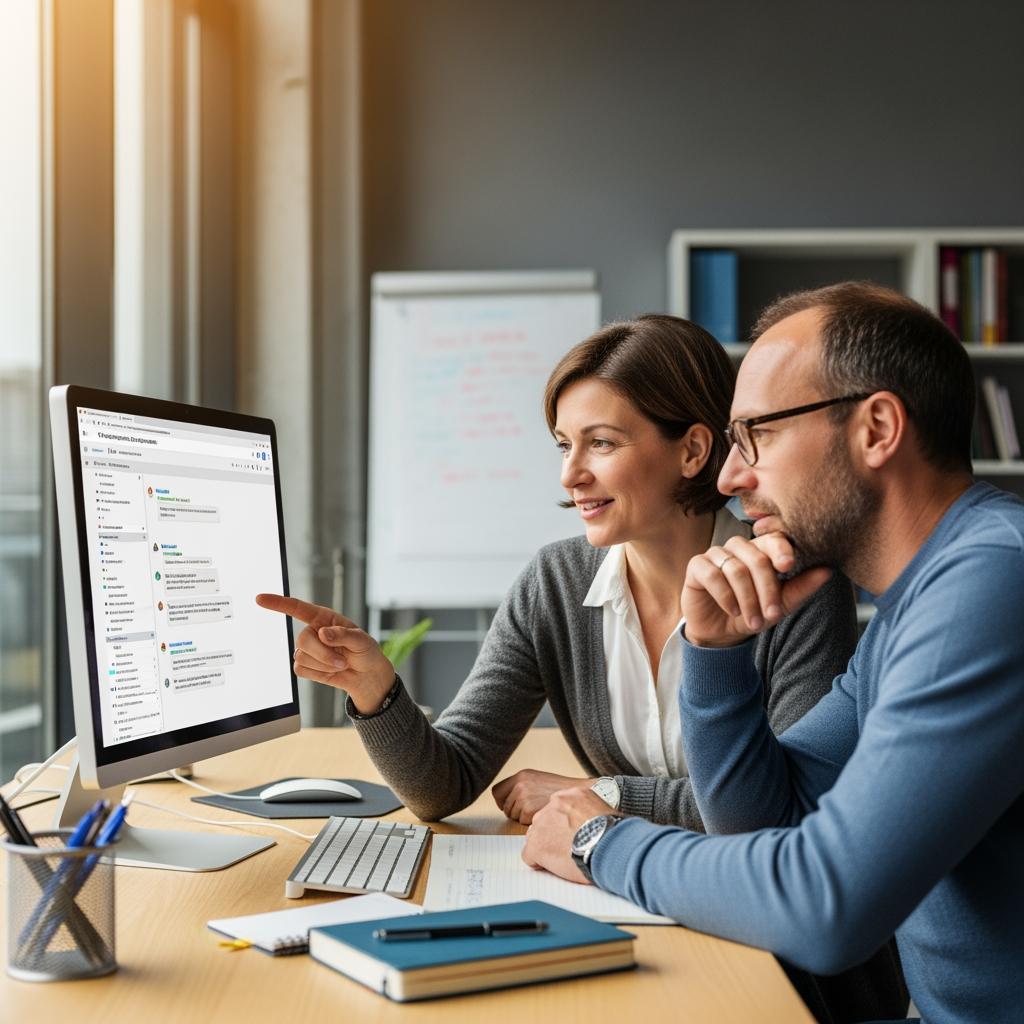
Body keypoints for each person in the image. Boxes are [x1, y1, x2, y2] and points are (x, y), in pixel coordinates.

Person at [260, 314, 906, 1023]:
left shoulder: (791, 584)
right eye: (565, 445)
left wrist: (601, 797)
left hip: (784, 963)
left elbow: (785, 819)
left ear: (693, 449)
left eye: (601, 443)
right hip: (642, 909)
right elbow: (444, 786)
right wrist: (374, 690)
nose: (571, 475)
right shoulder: (557, 584)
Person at [523, 282, 1024, 1023]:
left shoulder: (992, 584)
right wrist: (715, 652)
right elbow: (768, 823)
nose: (728, 476)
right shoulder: (911, 607)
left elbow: (826, 905)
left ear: (876, 428)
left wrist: (601, 840)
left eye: (756, 433)